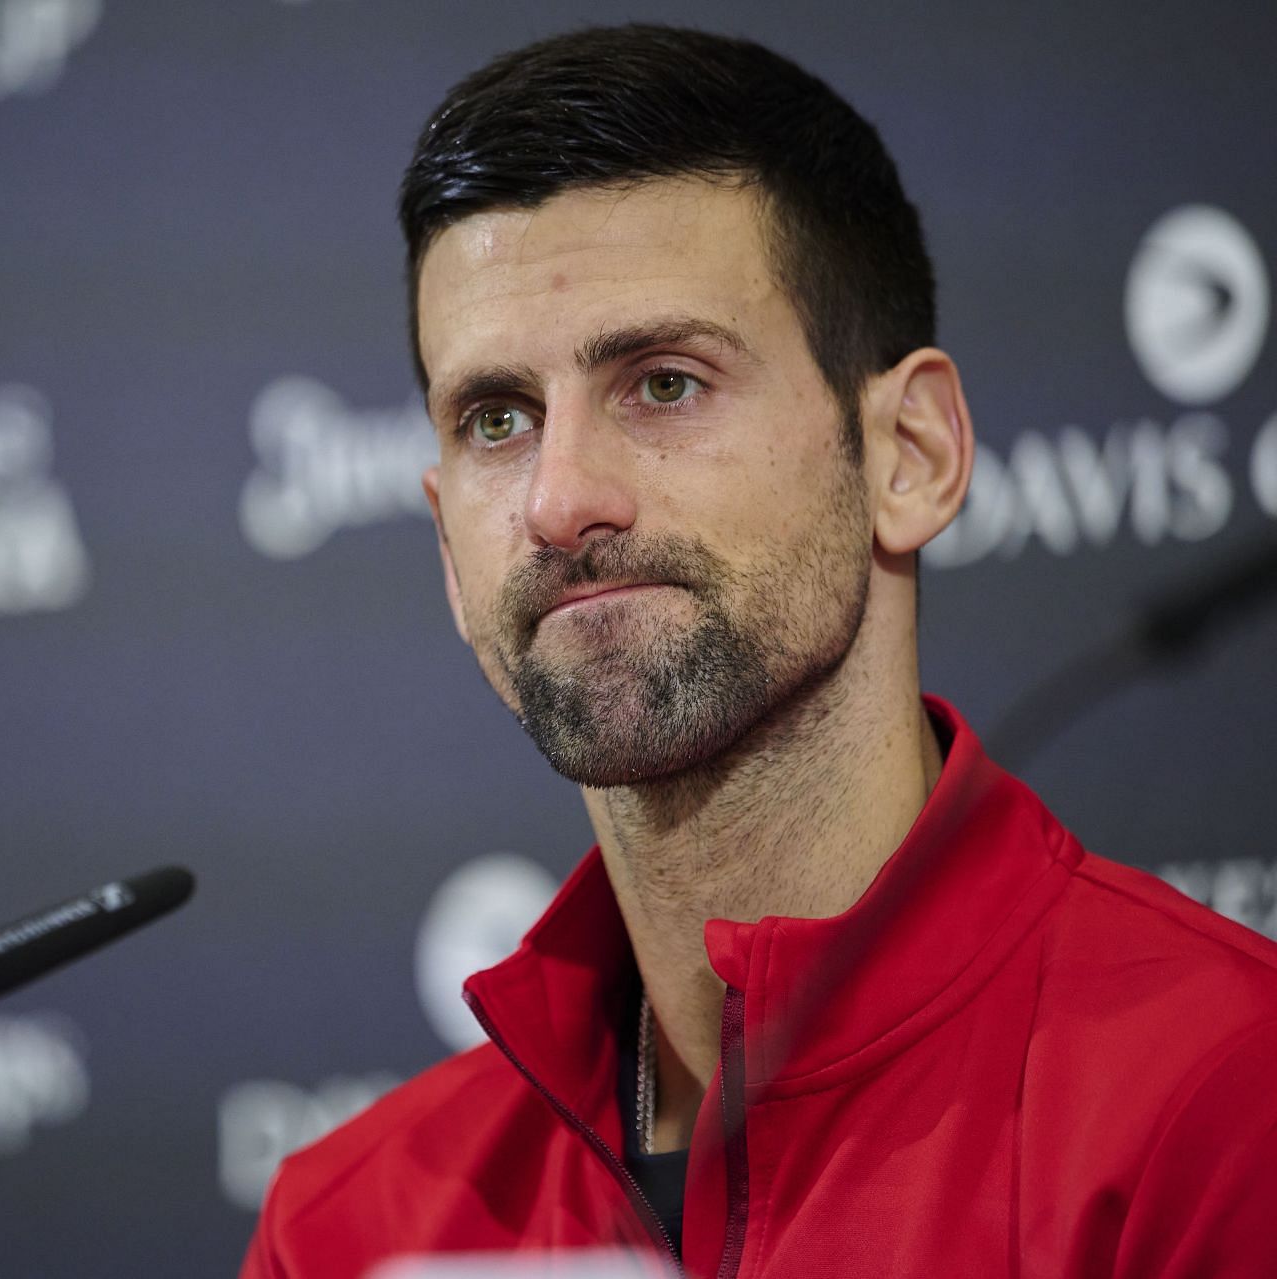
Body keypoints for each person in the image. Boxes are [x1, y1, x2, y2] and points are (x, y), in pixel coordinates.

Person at [240, 23, 1277, 1279]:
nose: (560, 501)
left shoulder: (1229, 1098)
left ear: (911, 457)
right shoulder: (355, 1229)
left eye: (664, 383)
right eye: (497, 418)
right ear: (448, 551)